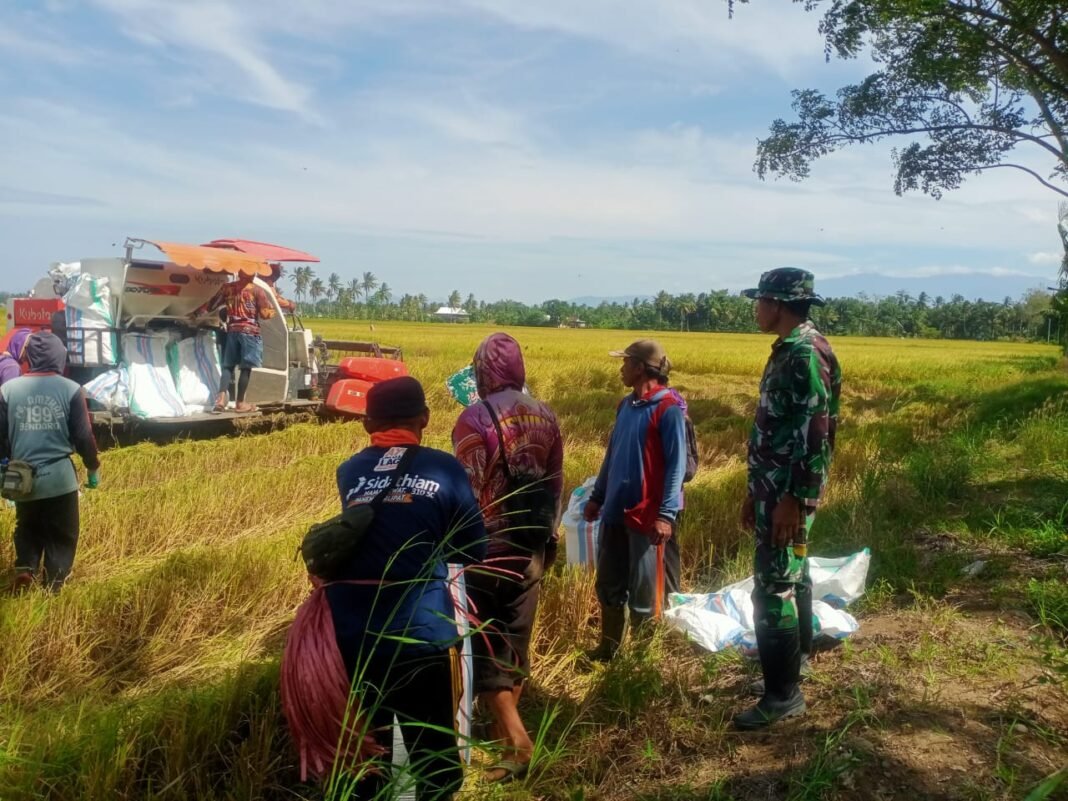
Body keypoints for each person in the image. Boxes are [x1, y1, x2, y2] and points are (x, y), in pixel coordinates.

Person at [329, 376, 486, 799]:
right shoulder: (445, 467)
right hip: (420, 636)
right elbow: (473, 548)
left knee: (369, 755)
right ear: (426, 419)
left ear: (367, 424)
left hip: (352, 637)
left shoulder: (349, 472)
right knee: (435, 764)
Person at [451, 332, 564, 783]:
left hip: (487, 551)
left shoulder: (473, 418)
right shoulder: (546, 414)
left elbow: (468, 490)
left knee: (486, 648)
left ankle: (518, 745)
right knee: (515, 644)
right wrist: (547, 538)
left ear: (482, 371)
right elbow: (555, 484)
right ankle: (503, 740)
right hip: (532, 544)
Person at [733, 267, 841, 730]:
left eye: (759, 301)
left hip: (786, 493)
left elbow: (815, 432)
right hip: (773, 489)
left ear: (777, 304)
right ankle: (795, 665)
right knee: (792, 575)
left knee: (773, 585)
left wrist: (793, 499)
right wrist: (754, 490)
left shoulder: (804, 353)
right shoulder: (792, 349)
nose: (756, 310)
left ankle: (782, 696)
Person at [583, 339, 687, 661]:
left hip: (646, 519)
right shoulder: (625, 406)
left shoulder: (668, 409)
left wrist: (666, 515)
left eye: (625, 362)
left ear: (640, 368)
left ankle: (643, 660)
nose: (621, 368)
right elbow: (611, 455)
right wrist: (597, 496)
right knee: (610, 585)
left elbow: (676, 467)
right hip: (614, 511)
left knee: (645, 595)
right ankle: (609, 650)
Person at [0, 332, 100, 592]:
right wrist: (92, 467)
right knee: (62, 534)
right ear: (59, 356)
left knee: (28, 526)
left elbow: (1, 438)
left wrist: (6, 468)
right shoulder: (70, 389)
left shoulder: (7, 390)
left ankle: (26, 568)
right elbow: (83, 437)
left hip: (23, 480)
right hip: (60, 480)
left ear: (30, 357)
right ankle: (54, 585)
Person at [192, 272, 276, 413]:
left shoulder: (228, 288)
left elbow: (212, 305)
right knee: (246, 367)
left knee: (228, 366)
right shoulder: (257, 291)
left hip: (232, 331)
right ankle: (241, 403)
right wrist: (271, 309)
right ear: (253, 274)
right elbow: (266, 314)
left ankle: (220, 401)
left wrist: (195, 314)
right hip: (250, 333)